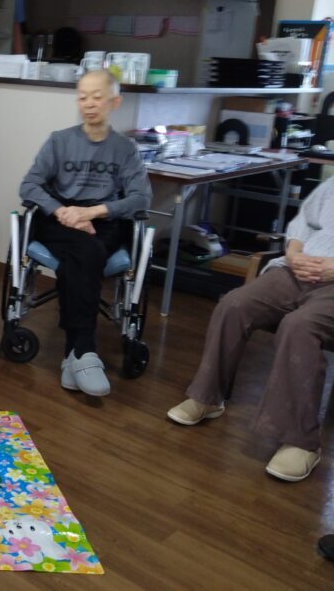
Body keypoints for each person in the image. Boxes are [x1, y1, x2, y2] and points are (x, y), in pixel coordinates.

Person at [167, 174, 334, 482]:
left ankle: (301, 441)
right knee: (234, 304)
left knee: (299, 325)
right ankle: (207, 397)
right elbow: (302, 224)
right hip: (298, 270)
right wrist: (295, 255)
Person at [19, 69, 151, 397]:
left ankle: (72, 354)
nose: (88, 104)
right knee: (87, 251)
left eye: (97, 97)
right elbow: (29, 185)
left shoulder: (124, 148)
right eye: (82, 97)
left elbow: (141, 198)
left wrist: (91, 212)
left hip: (102, 218)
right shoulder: (59, 140)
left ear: (114, 102)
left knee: (83, 254)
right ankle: (84, 347)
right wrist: (65, 212)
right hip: (59, 217)